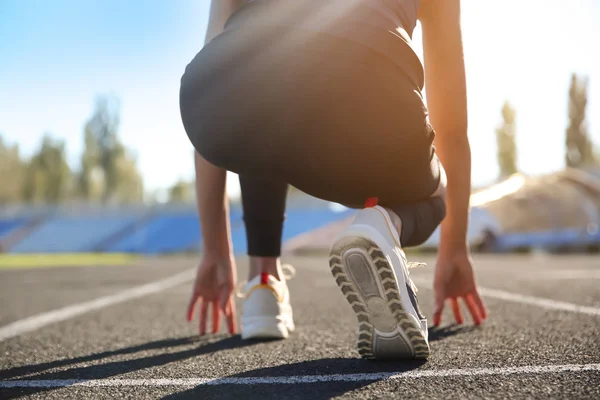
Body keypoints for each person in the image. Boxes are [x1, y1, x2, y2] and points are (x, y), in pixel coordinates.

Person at [180, 0, 488, 359]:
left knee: (261, 80)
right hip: (371, 78)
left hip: (216, 93)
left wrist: (216, 251)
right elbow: (451, 127)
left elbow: (221, 59)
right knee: (438, 190)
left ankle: (264, 283)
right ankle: (383, 225)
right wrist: (453, 248)